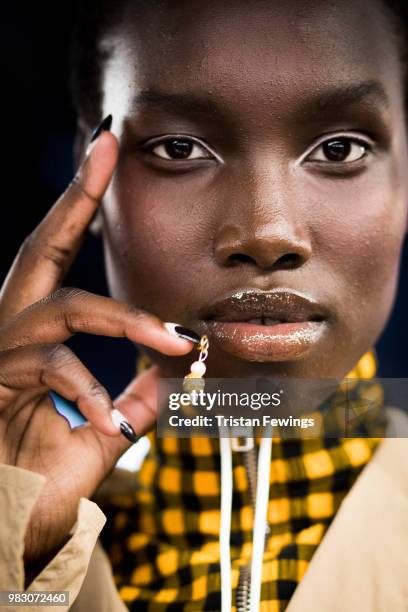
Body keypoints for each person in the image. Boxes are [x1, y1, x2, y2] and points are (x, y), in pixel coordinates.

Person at [1, 0, 408, 610]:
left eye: (340, 149)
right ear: (92, 177)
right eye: (178, 148)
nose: (268, 232)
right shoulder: (23, 542)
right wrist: (15, 549)